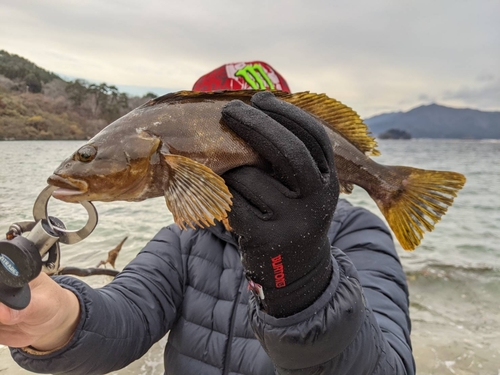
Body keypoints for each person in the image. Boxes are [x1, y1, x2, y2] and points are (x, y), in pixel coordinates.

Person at [0, 61, 415, 375]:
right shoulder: (186, 236)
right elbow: (126, 314)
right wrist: (54, 317)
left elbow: (391, 365)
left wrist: (303, 279)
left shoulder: (358, 232)